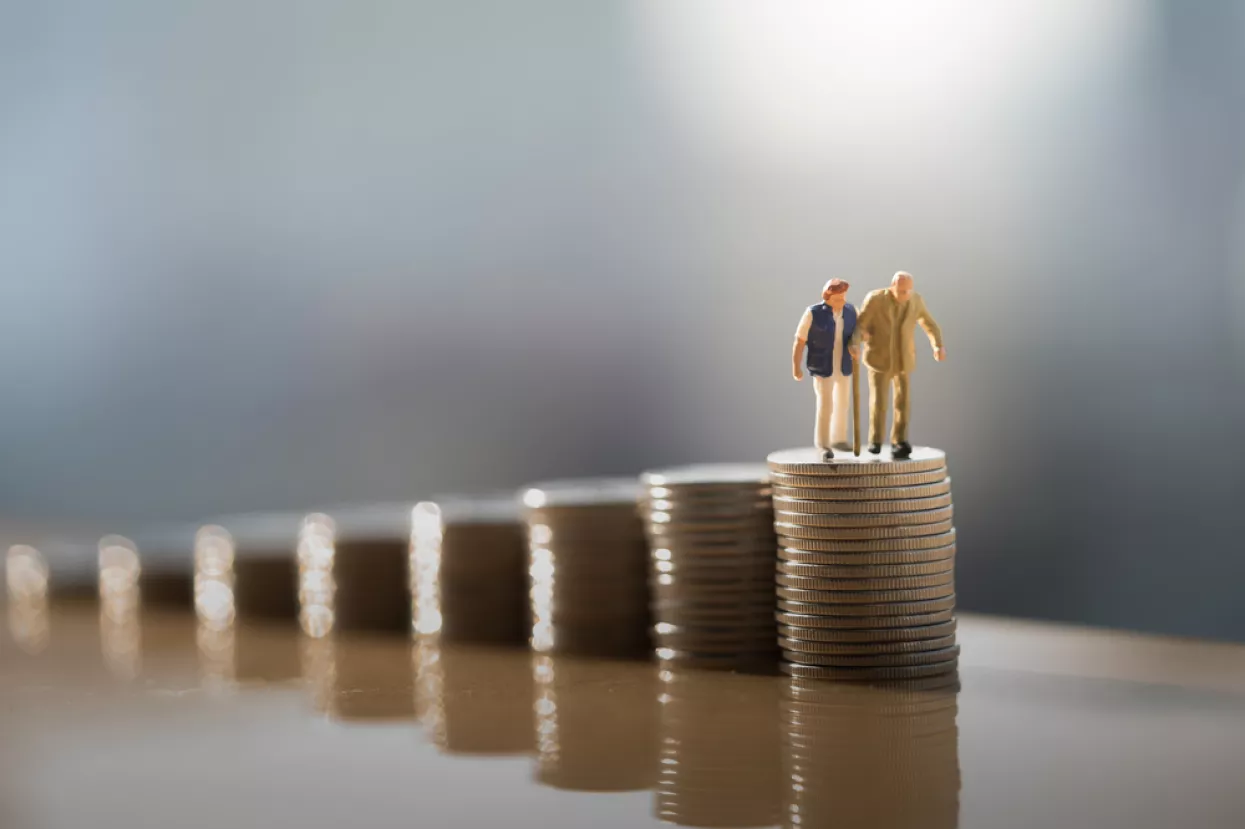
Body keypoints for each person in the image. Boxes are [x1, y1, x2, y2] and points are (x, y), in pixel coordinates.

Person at [850, 271, 946, 459]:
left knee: (903, 403)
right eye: (901, 291)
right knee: (879, 402)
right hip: (879, 358)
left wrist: (938, 345)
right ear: (892, 286)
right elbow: (861, 325)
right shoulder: (875, 299)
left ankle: (899, 440)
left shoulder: (916, 301)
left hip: (903, 360)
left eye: (908, 291)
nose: (905, 295)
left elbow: (929, 323)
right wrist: (856, 342)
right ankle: (875, 440)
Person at [792, 279, 857, 460]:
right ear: (827, 297)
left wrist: (857, 345)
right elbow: (799, 341)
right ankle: (823, 444)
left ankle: (839, 439)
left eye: (843, 297)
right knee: (825, 406)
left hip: (843, 365)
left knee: (842, 404)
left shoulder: (851, 311)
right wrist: (796, 366)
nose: (841, 302)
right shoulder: (813, 313)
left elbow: (858, 333)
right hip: (822, 366)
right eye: (837, 298)